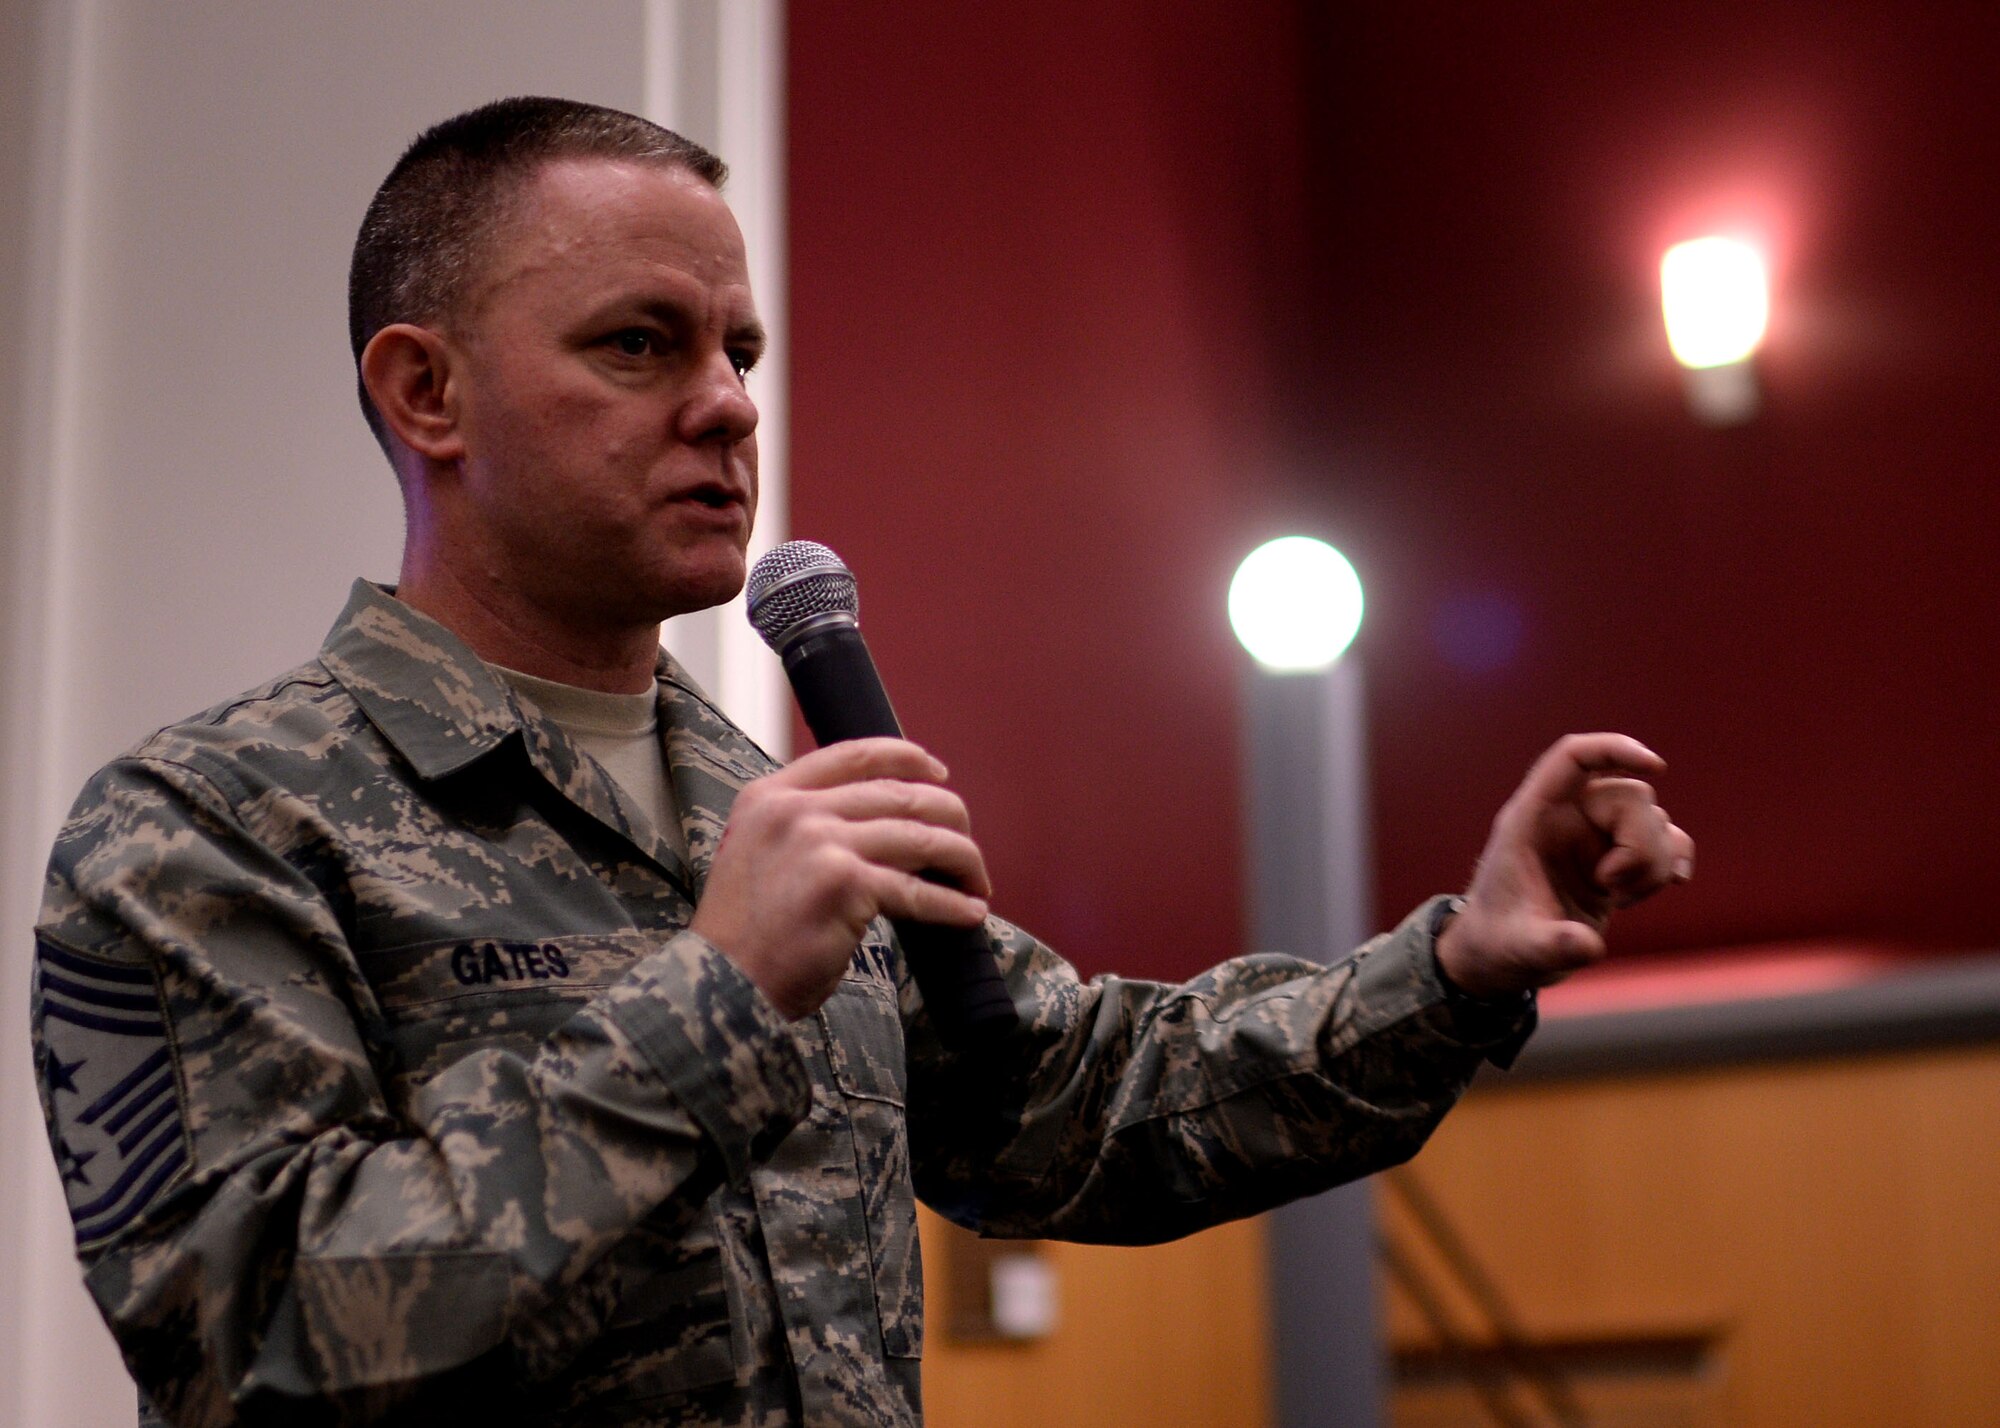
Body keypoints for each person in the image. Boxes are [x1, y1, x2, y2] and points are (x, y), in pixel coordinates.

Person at [30, 97, 1694, 1428]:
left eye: (739, 353)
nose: (726, 406)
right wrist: (715, 998)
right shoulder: (211, 830)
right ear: (428, 392)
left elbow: (1088, 1108)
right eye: (639, 344)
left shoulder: (759, 802)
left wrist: (1456, 968)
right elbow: (243, 1346)